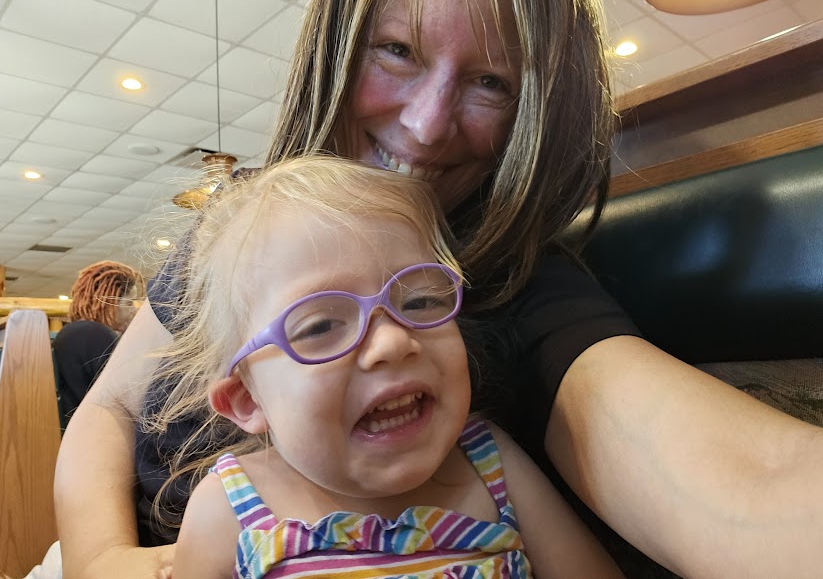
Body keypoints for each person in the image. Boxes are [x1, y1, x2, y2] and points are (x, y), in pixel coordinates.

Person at [55, 0, 823, 578]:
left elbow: (751, 483)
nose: (425, 126)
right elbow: (111, 409)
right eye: (397, 50)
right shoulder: (237, 235)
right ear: (334, 46)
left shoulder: (530, 292)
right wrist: (100, 559)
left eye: (491, 81)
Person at [153, 156, 624, 579]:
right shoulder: (227, 506)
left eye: (419, 301)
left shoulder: (490, 463)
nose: (395, 341)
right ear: (247, 399)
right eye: (320, 326)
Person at [52, 261, 144, 429]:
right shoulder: (95, 334)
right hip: (96, 430)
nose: (134, 310)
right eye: (128, 303)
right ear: (108, 302)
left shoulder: (74, 332)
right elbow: (126, 396)